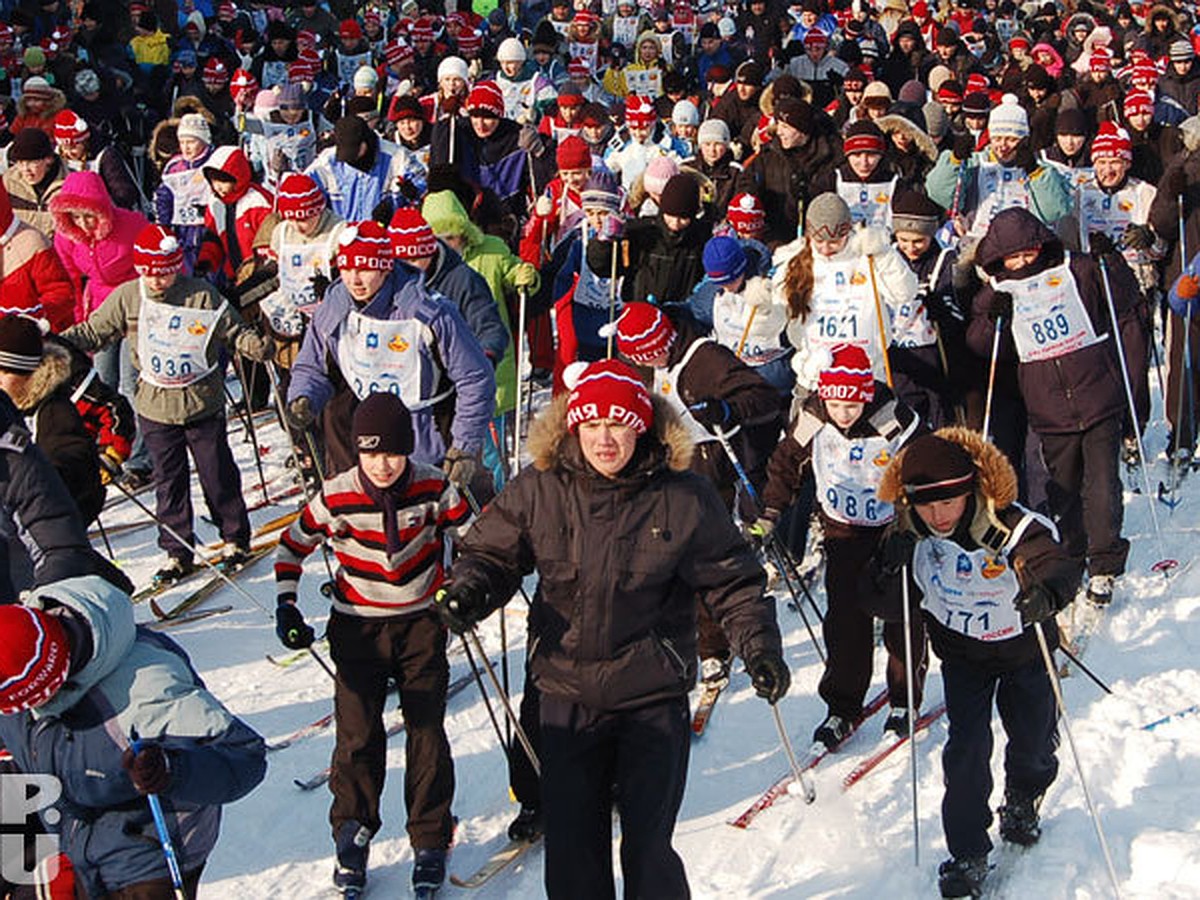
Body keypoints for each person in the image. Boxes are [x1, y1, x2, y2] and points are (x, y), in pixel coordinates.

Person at [435, 358, 788, 900]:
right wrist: (471, 590)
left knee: (649, 849)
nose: (605, 439)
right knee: (575, 849)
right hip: (566, 693)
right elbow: (489, 552)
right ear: (575, 426)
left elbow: (732, 582)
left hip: (651, 696)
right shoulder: (540, 486)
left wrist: (759, 646)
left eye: (619, 424)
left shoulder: (684, 496)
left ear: (641, 426)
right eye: (593, 425)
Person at [868, 428, 1080, 899]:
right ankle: (967, 851)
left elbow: (1058, 562)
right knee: (966, 750)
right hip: (964, 658)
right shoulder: (909, 536)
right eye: (925, 504)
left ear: (971, 491)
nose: (938, 515)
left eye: (949, 502)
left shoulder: (1008, 523)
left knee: (1031, 738)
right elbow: (878, 602)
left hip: (1024, 651)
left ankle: (1024, 795)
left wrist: (1047, 592)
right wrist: (887, 565)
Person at [274, 392, 470, 896]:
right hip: (358, 627)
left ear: (408, 449)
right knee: (358, 735)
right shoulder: (335, 495)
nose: (382, 465)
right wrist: (286, 606)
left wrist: (463, 589)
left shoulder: (433, 485)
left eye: (392, 453)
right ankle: (352, 832)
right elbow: (292, 546)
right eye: (370, 453)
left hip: (421, 623)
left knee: (426, 730)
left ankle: (429, 836)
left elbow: (477, 539)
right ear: (357, 452)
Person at [0, 574, 267, 899]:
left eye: (27, 705)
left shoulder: (149, 688)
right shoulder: (13, 655)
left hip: (147, 857)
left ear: (51, 686)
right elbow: (21, 756)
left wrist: (172, 770)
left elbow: (244, 756)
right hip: (76, 844)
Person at [61, 224, 274, 585]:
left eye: (166, 272)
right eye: (150, 272)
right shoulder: (129, 296)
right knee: (168, 481)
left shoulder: (200, 295)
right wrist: (49, 342)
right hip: (156, 406)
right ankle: (177, 550)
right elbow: (94, 331)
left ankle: (234, 537)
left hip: (200, 402)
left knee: (216, 473)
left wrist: (258, 346)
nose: (158, 281)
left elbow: (233, 331)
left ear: (177, 267)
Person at [966, 207, 1141, 605]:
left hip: (1096, 394)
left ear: (1041, 245)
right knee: (1063, 488)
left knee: (1102, 485)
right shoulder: (999, 290)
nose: (1023, 262)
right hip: (1049, 408)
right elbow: (983, 346)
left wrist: (1108, 260)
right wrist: (992, 319)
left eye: (1028, 252)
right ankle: (1073, 553)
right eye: (1013, 256)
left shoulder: (1073, 267)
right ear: (998, 257)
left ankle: (1104, 563)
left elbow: (1121, 299)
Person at [753, 343, 928, 742]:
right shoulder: (814, 415)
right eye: (836, 404)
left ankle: (905, 699)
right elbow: (785, 464)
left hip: (890, 530)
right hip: (842, 530)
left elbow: (923, 464)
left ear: (865, 396)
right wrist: (770, 514)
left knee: (900, 614)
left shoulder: (891, 417)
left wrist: (912, 525)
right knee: (845, 620)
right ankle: (841, 705)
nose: (843, 414)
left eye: (851, 406)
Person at [286, 220, 495, 481]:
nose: (354, 279)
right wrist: (304, 396)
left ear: (385, 269)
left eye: (364, 269)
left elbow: (475, 378)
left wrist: (463, 447)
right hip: (366, 444)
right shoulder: (334, 306)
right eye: (347, 267)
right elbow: (314, 365)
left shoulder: (428, 312)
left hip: (429, 438)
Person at [0, 315, 104, 526]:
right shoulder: (6, 405)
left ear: (28, 374)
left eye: (4, 372)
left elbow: (74, 467)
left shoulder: (55, 412)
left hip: (46, 519)